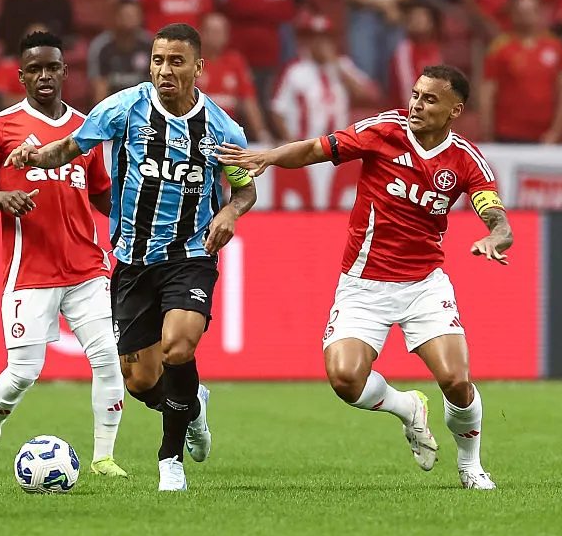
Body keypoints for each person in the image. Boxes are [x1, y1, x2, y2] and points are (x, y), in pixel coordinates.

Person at [217, 64, 512, 490]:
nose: (417, 104)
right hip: (363, 284)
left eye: (430, 99)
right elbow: (317, 149)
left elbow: (496, 216)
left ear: (454, 110)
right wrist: (269, 156)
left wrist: (496, 236)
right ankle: (407, 408)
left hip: (423, 285)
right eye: (415, 94)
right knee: (345, 379)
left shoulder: (464, 160)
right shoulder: (384, 130)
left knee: (455, 380)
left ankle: (471, 466)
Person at [6, 23, 258, 491]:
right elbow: (71, 146)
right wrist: (34, 158)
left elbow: (246, 191)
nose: (165, 70)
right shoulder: (124, 108)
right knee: (141, 381)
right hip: (132, 261)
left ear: (199, 68)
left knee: (179, 346)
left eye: (177, 61)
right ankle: (193, 407)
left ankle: (170, 461)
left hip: (191, 255)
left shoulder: (223, 128)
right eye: (159, 60)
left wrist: (230, 212)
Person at [0, 31, 127, 479]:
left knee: (108, 357)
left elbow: (103, 195)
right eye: (35, 69)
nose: (45, 76)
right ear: (21, 76)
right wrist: (0, 199)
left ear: (65, 71)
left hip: (87, 267)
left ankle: (104, 458)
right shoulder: (0, 127)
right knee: (23, 373)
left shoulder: (86, 128)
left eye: (52, 67)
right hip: (30, 269)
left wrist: (140, 219)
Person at [215, 0, 293, 119]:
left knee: (266, 101)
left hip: (268, 53)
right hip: (239, 53)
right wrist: (265, 5)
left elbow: (284, 10)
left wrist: (248, 4)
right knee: (239, 104)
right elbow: (234, 6)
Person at [481, 0, 562, 144]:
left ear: (540, 13)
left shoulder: (556, 47)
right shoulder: (500, 47)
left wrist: (556, 132)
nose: (526, 16)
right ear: (513, 15)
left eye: (531, 11)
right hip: (507, 133)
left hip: (545, 136)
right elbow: (488, 92)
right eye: (521, 12)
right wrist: (487, 130)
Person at [270, 13, 378, 141]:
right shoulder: (295, 69)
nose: (320, 44)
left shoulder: (343, 65)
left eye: (325, 38)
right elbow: (277, 110)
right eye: (315, 38)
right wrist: (291, 142)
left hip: (336, 148)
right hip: (306, 147)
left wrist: (336, 65)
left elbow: (365, 94)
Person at [195, 12, 269, 142]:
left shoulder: (236, 62)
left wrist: (262, 134)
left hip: (229, 136)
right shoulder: (192, 63)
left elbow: (249, 102)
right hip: (196, 134)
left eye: (221, 32)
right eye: (213, 31)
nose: (217, 36)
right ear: (202, 33)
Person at [87, 0, 153, 104]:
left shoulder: (150, 45)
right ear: (116, 18)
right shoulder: (101, 47)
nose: (130, 20)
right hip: (113, 109)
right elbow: (99, 93)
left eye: (133, 16)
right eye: (125, 16)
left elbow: (155, 87)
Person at [388, 2, 443, 108]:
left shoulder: (435, 49)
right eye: (414, 17)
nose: (418, 21)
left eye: (423, 17)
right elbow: (406, 89)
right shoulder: (404, 50)